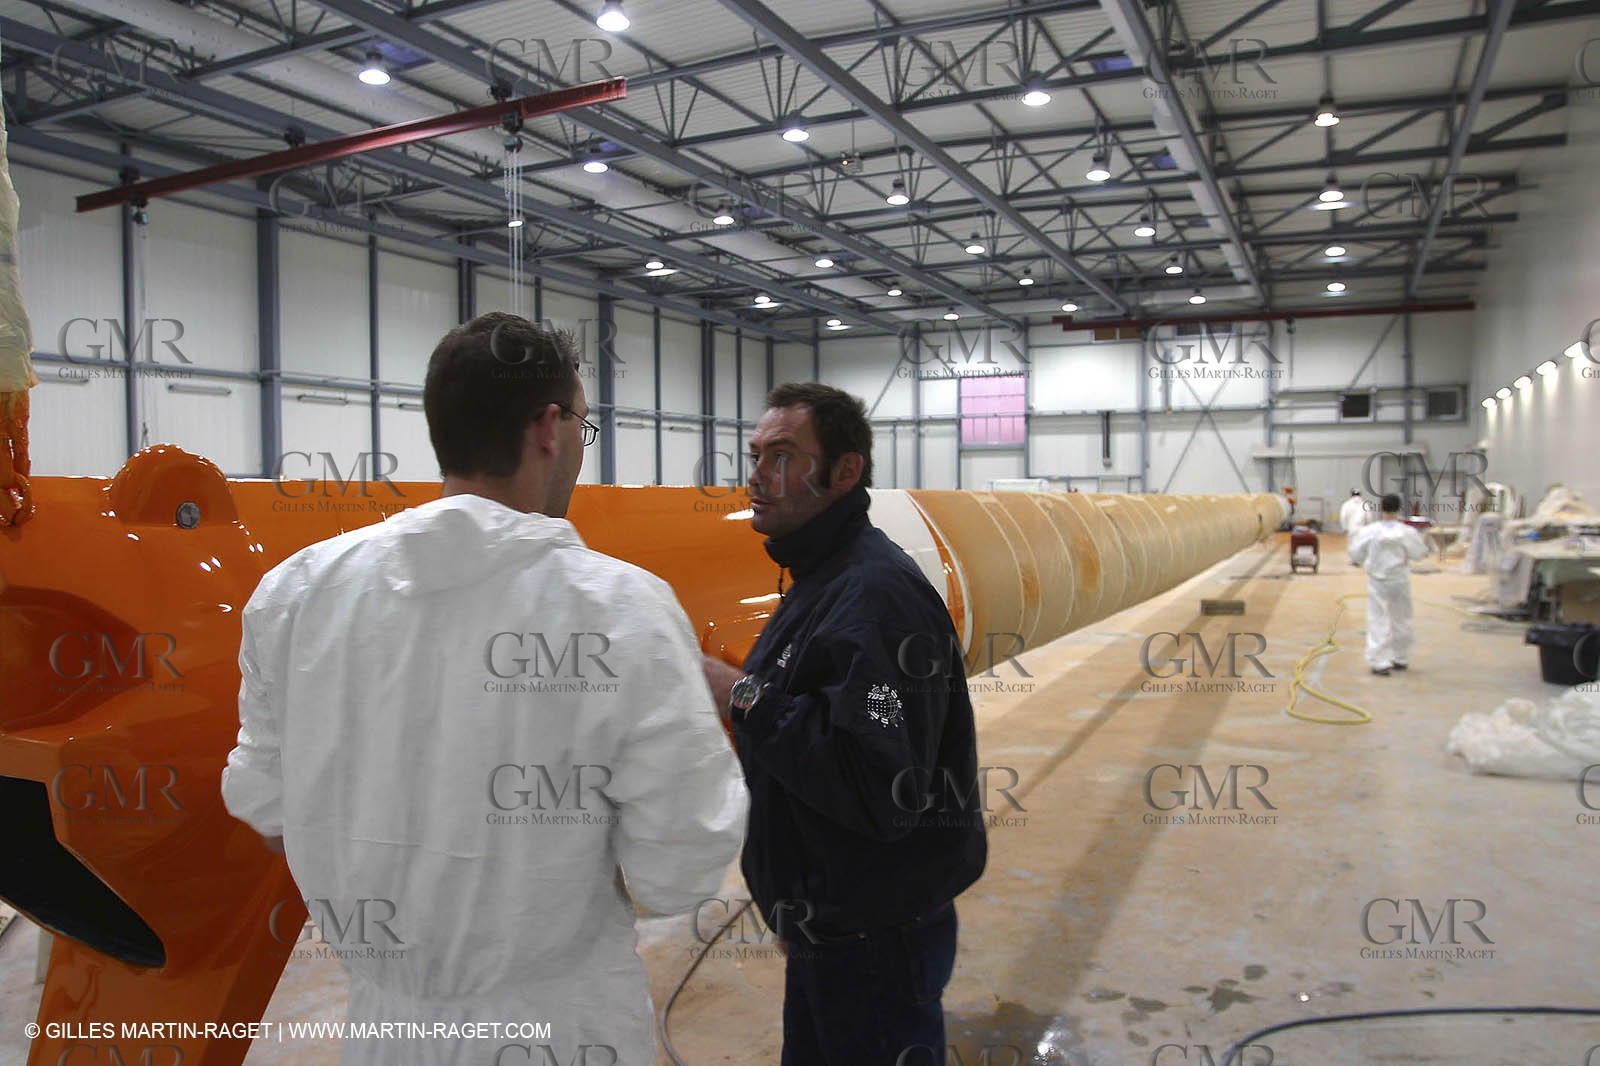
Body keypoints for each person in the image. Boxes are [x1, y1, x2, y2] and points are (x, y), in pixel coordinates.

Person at [222, 313, 747, 1065]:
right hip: (564, 1031)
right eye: (582, 428)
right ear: (547, 427)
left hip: (384, 1030)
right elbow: (680, 868)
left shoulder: (295, 594)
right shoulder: (619, 607)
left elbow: (267, 809)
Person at [702, 383, 987, 1066]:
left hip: (873, 940)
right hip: (834, 927)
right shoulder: (823, 576)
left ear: (846, 471)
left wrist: (740, 695)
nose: (756, 476)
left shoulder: (874, 597)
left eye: (782, 455)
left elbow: (876, 787)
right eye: (755, 455)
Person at [1349, 493, 1429, 676]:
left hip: (1378, 581)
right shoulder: (1407, 532)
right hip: (1399, 580)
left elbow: (1355, 553)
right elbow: (1419, 553)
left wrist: (1363, 559)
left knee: (1378, 619)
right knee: (1401, 618)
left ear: (1381, 508)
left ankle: (1380, 661)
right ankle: (1400, 657)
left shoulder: (1370, 531)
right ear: (1398, 509)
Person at [1339, 489, 1370, 565]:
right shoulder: (1364, 504)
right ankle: (1360, 559)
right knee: (1361, 543)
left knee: (1351, 543)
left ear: (1351, 495)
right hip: (1362, 528)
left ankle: (1352, 560)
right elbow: (1369, 517)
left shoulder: (1347, 504)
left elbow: (1343, 516)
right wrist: (1368, 527)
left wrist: (1344, 527)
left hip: (1351, 528)